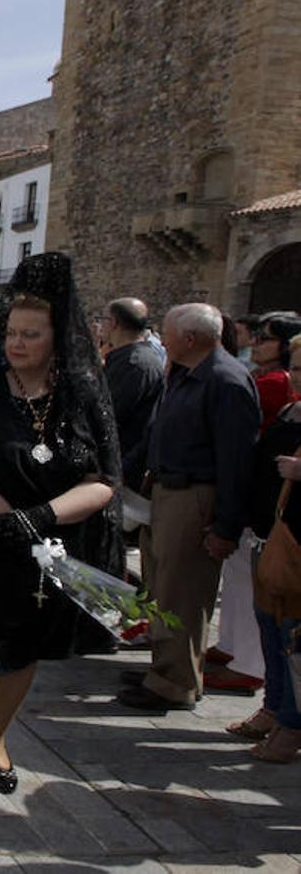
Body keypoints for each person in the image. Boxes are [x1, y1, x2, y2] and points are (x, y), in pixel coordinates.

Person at [0, 252, 120, 834]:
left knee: (21, 651)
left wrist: (41, 516)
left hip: (48, 552)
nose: (16, 342)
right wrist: (5, 516)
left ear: (59, 336)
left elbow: (105, 479)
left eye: (31, 334)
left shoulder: (83, 392)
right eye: (10, 332)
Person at [118, 303, 261, 712]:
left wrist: (225, 527)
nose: (163, 339)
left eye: (168, 332)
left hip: (195, 496)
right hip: (166, 492)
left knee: (183, 594)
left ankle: (174, 684)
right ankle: (166, 670)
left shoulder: (225, 381)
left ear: (191, 338)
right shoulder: (185, 376)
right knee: (164, 590)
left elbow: (236, 461)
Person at [208, 313, 301, 694]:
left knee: (277, 610)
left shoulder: (275, 385)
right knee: (255, 597)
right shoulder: (288, 403)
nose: (257, 343)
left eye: (266, 338)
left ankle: (254, 671)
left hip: (285, 525)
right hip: (263, 515)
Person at [228, 332, 301, 761]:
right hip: (272, 531)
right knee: (271, 626)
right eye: (294, 364)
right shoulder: (291, 408)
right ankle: (274, 709)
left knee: (292, 636)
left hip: (294, 540)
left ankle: (291, 724)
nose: (295, 374)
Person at [102, 298, 164, 492]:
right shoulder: (131, 359)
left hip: (118, 464)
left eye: (102, 319)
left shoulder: (134, 364)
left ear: (113, 323)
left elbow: (107, 415)